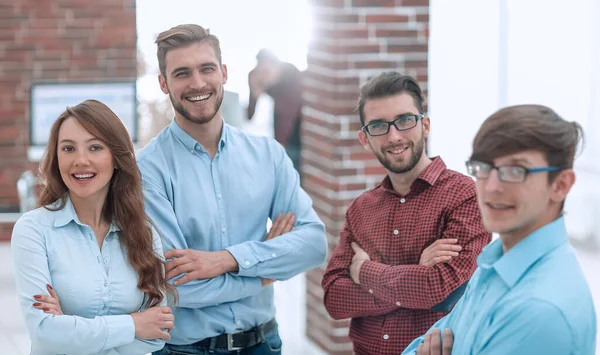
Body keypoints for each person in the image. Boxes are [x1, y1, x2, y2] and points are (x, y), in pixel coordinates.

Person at [137, 24, 327, 355]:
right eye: (182, 73)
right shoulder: (149, 170)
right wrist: (263, 273)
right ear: (164, 83)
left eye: (206, 68)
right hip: (188, 350)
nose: (197, 83)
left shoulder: (267, 155)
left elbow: (313, 244)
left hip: (264, 344)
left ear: (223, 73)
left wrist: (229, 260)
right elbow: (177, 287)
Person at [403, 105, 597, 355]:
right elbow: (424, 344)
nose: (491, 186)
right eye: (484, 167)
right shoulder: (494, 265)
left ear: (560, 185)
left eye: (515, 170)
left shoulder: (540, 310)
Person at [321, 72, 491, 354]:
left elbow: (439, 289)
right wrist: (415, 279)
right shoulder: (361, 208)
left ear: (425, 125)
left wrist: (364, 271)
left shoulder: (465, 195)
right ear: (365, 139)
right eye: (378, 126)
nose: (394, 136)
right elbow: (334, 299)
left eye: (404, 120)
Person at [11, 99, 175, 355]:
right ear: (56, 158)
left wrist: (69, 329)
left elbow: (157, 333)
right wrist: (133, 324)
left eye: (95, 147)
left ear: (117, 158)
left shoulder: (144, 233)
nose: (80, 160)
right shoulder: (33, 230)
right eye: (68, 149)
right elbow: (44, 333)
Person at [247, 48, 303, 172]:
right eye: (261, 70)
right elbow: (249, 115)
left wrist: (280, 147)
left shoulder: (291, 76)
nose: (264, 75)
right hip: (279, 117)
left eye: (267, 71)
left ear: (278, 67)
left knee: (291, 160)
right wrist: (255, 93)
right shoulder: (256, 76)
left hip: (298, 123)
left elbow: (289, 114)